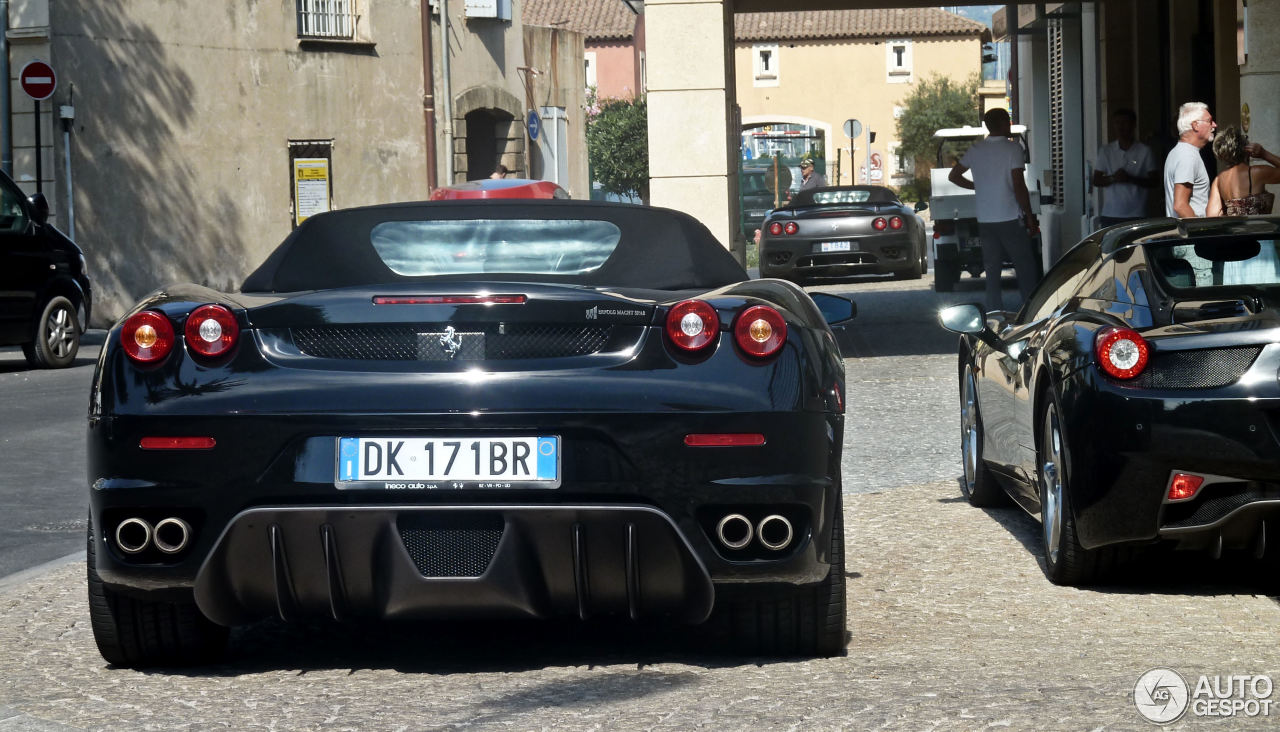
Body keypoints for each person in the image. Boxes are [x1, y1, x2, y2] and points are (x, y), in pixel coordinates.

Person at [948, 107, 1040, 313]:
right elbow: (1018, 185)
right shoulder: (1013, 149)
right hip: (1009, 218)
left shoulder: (976, 149)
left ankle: (993, 313)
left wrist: (975, 186)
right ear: (1003, 124)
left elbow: (953, 176)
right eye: (1007, 121)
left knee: (992, 270)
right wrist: (1030, 216)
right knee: (1024, 266)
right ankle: (1031, 312)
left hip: (986, 219)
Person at [1092, 108, 1158, 227]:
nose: (1120, 127)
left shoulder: (1144, 151)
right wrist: (1113, 178)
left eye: (1124, 123)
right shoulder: (1106, 151)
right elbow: (1096, 180)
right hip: (1111, 214)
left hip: (1137, 213)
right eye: (1117, 123)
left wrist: (1130, 179)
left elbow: (1154, 181)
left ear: (1133, 125)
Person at [1206, 126, 1280, 216]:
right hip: (1259, 229)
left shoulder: (1219, 180)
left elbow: (1211, 215)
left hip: (1233, 229)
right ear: (1245, 148)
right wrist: (1264, 154)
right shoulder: (1256, 173)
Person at [1163, 102, 1216, 217]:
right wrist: (1200, 230)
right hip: (1191, 233)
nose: (1214, 125)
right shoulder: (1187, 155)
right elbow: (1180, 205)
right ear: (1195, 125)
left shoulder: (1181, 152)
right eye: (1209, 121)